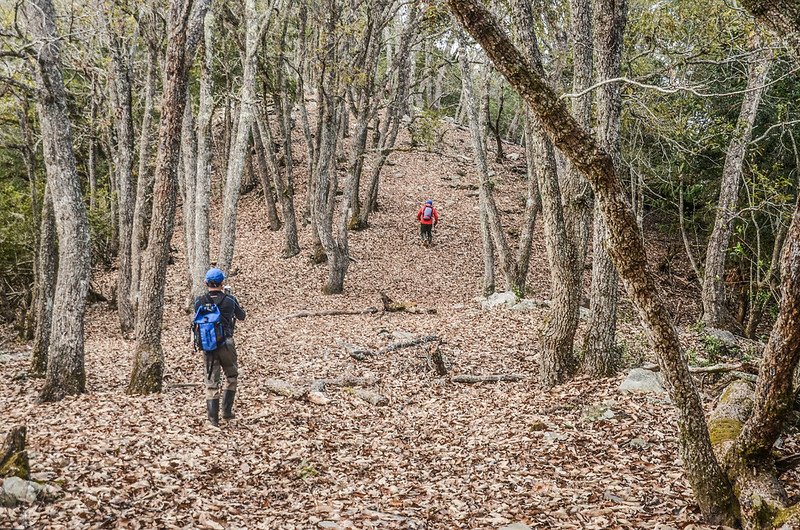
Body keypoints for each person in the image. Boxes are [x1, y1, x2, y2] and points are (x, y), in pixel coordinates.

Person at [194, 268, 246, 426]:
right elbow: (242, 316)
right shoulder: (229, 300)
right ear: (222, 283)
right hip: (226, 344)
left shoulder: (199, 301)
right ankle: (227, 412)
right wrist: (231, 299)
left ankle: (213, 420)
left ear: (206, 283)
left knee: (211, 381)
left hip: (208, 344)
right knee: (231, 376)